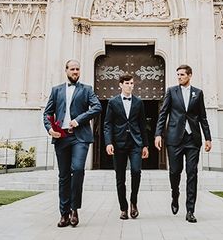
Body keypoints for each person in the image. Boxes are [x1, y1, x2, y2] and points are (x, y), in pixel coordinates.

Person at [43, 59, 101, 228]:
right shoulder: (56, 91)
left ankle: (75, 209)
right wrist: (49, 129)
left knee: (77, 169)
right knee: (63, 176)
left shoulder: (87, 90)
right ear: (66, 70)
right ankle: (64, 213)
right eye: (72, 69)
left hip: (80, 137)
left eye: (78, 69)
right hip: (61, 138)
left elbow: (97, 107)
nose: (75, 72)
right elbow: (47, 114)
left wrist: (79, 120)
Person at [154, 64, 212, 223]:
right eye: (178, 74)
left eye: (182, 75)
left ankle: (190, 210)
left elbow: (203, 117)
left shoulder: (198, 93)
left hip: (193, 139)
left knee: (192, 173)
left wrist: (208, 138)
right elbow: (163, 114)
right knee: (175, 171)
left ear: (190, 75)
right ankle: (175, 194)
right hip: (174, 138)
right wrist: (158, 134)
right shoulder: (171, 91)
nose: (179, 77)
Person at [103, 73, 149, 220]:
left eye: (132, 83)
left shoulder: (139, 102)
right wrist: (109, 142)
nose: (130, 86)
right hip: (118, 143)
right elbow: (107, 124)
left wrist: (145, 145)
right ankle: (123, 208)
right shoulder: (112, 102)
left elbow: (143, 125)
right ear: (121, 85)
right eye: (127, 83)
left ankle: (133, 202)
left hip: (136, 143)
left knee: (136, 171)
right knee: (120, 177)